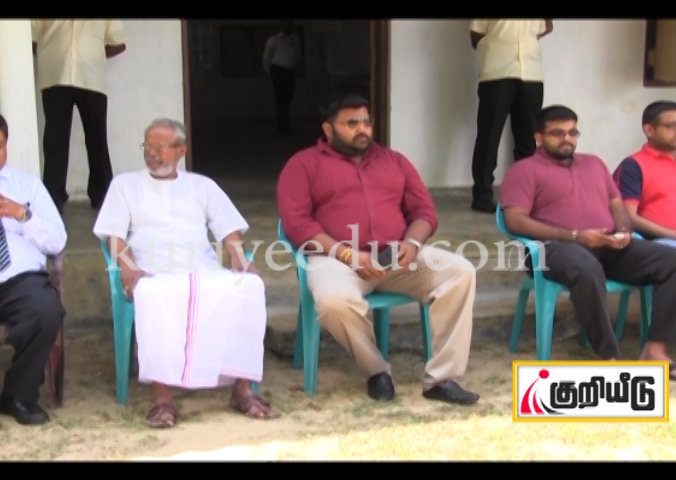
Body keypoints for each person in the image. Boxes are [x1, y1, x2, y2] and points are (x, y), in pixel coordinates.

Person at [277, 93, 480, 405]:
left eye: (366, 122)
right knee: (333, 301)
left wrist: (412, 243)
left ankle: (441, 379)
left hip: (396, 258)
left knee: (460, 272)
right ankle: (376, 371)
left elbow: (424, 213)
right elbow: (298, 225)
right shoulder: (303, 165)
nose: (362, 129)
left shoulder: (394, 161)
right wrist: (347, 254)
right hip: (337, 259)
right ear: (328, 129)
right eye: (351, 123)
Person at [93, 117, 278, 428]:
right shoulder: (124, 185)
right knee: (155, 295)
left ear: (181, 150)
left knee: (248, 287)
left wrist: (239, 257)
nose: (152, 153)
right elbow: (114, 234)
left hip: (202, 267)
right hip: (151, 271)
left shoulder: (201, 185)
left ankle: (242, 389)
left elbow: (228, 227)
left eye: (160, 147)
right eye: (147, 146)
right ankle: (162, 397)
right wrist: (127, 266)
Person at [500, 105, 676, 369]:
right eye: (557, 133)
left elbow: (616, 203)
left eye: (572, 132)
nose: (567, 139)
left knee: (671, 261)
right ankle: (608, 357)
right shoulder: (524, 170)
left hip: (606, 245)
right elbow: (514, 220)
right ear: (538, 137)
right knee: (586, 267)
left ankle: (655, 349)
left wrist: (624, 232)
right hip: (552, 248)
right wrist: (575, 236)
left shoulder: (594, 164)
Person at [0, 108, 67, 427]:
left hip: (21, 282)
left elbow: (57, 241)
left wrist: (22, 215)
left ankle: (19, 396)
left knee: (46, 311)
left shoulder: (28, 185)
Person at [31, 19, 128, 214]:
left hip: (91, 78)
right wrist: (48, 55)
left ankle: (102, 195)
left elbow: (119, 42)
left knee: (97, 139)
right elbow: (30, 39)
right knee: (54, 141)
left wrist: (94, 56)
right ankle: (52, 198)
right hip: (55, 77)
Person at [469, 19, 553, 214]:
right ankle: (482, 196)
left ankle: (525, 196)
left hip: (531, 74)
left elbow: (546, 26)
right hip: (497, 73)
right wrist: (504, 41)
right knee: (489, 137)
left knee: (528, 140)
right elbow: (476, 36)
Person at [614, 101, 676, 248]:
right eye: (671, 126)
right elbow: (628, 217)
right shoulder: (633, 165)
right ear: (649, 130)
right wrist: (673, 235)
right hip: (656, 243)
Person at [263, 20, 300, 135]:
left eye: (289, 24)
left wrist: (292, 67)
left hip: (290, 71)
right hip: (278, 71)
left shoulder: (295, 40)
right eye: (285, 24)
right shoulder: (273, 40)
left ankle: (285, 125)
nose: (287, 27)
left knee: (288, 98)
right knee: (280, 99)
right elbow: (266, 58)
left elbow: (297, 54)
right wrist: (271, 73)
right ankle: (281, 127)